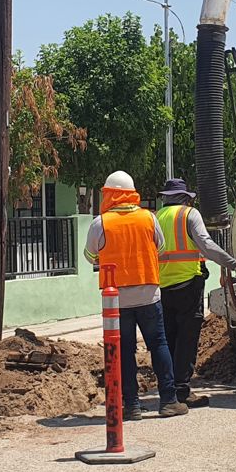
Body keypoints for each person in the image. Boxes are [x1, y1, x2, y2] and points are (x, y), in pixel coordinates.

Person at [85, 171, 185, 419]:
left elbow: (89, 256)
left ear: (110, 194)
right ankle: (169, 401)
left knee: (125, 351)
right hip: (148, 293)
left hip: (116, 299)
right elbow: (160, 248)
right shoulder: (149, 218)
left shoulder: (101, 223)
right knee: (159, 345)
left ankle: (131, 406)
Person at [155, 178, 236, 408]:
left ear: (166, 197)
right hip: (187, 284)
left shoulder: (156, 217)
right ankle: (182, 391)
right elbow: (206, 245)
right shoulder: (189, 214)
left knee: (169, 339)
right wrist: (234, 263)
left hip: (162, 286)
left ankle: (169, 390)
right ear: (185, 197)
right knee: (187, 339)